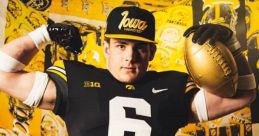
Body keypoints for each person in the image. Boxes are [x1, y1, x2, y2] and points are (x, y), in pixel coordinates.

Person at [0, 6, 256, 136]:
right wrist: (43, 34)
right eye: (121, 45)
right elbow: (3, 74)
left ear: (152, 53)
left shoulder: (173, 86)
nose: (130, 56)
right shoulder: (76, 81)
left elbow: (244, 96)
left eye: (140, 48)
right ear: (107, 47)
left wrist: (231, 46)